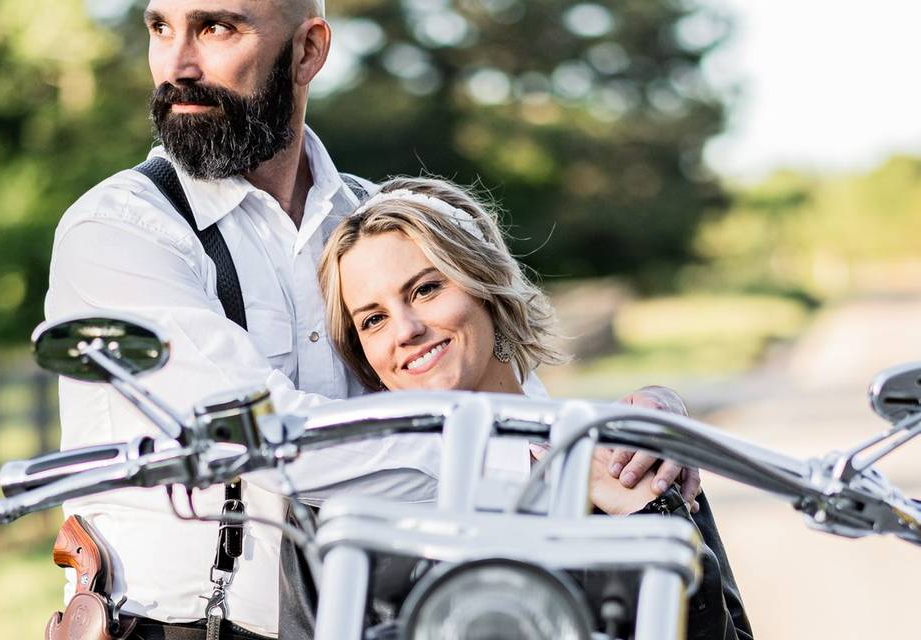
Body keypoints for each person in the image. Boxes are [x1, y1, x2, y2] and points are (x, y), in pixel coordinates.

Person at [45, 0, 701, 637]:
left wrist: (628, 432)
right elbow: (255, 437)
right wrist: (540, 465)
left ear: (308, 50)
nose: (178, 64)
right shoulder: (120, 229)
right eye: (161, 28)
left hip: (383, 615)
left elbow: (493, 389)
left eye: (216, 28)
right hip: (182, 628)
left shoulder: (374, 218)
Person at [317, 176, 753, 638]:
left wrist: (644, 514)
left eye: (425, 290)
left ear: (483, 283)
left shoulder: (623, 454)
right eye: (373, 319)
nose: (404, 330)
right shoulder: (372, 515)